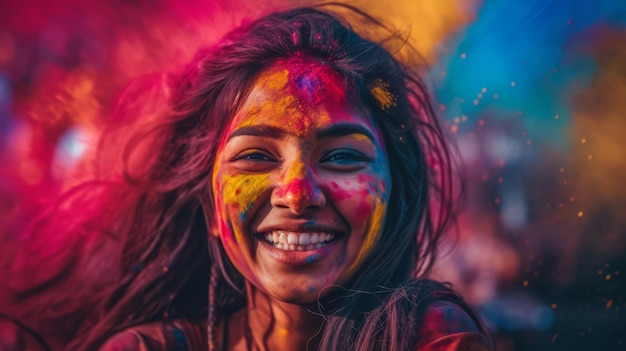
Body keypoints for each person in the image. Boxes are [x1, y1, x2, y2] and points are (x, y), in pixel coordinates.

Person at [1, 4, 492, 351]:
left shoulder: (432, 338)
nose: (297, 194)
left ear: (394, 195)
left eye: (342, 158)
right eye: (256, 157)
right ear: (212, 207)